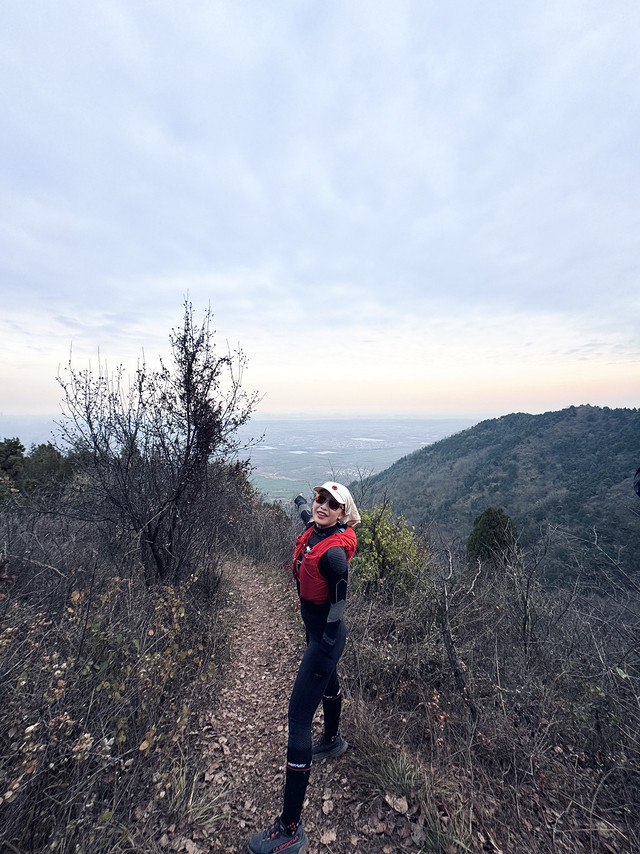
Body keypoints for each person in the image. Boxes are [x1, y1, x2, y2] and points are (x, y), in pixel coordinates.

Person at [246, 481, 361, 854]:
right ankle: (332, 740)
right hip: (316, 631)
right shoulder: (317, 527)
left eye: (331, 503)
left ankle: (290, 829)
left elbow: (340, 605)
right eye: (318, 499)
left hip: (325, 636)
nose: (321, 506)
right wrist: (299, 500)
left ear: (343, 513)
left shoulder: (334, 556)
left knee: (297, 719)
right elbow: (307, 516)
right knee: (329, 684)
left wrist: (326, 646)